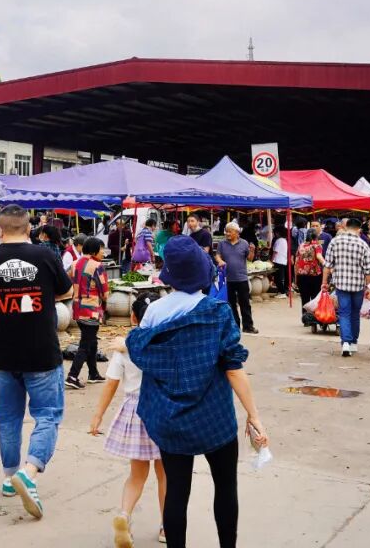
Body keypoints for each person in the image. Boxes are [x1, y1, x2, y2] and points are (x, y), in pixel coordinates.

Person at [128, 236, 268, 548]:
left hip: (170, 420)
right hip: (214, 419)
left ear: (168, 273)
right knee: (226, 488)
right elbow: (233, 368)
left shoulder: (153, 313)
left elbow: (141, 354)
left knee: (176, 492)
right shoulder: (217, 312)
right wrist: (254, 415)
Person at [0, 204, 73, 520]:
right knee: (48, 415)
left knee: (8, 419)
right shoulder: (45, 255)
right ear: (28, 228)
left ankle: (9, 477)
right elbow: (66, 292)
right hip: (42, 354)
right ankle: (29, 472)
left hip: (2, 354)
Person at [89, 297, 167, 547]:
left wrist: (98, 415)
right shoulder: (165, 342)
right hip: (162, 411)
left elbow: (111, 383)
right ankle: (166, 527)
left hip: (136, 412)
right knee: (165, 475)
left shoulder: (124, 347)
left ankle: (124, 515)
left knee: (137, 475)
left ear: (133, 317)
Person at [322, 217, 370, 357]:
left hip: (341, 284)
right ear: (359, 229)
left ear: (345, 227)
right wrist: (368, 287)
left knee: (344, 313)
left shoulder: (335, 242)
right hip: (358, 286)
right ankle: (353, 343)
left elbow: (327, 265)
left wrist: (324, 282)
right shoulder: (363, 244)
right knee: (355, 314)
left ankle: (345, 342)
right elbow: (368, 271)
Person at [66, 237, 109, 390]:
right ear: (94, 251)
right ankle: (72, 376)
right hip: (91, 310)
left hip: (77, 309)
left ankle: (93, 373)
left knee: (92, 341)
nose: (103, 252)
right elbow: (105, 294)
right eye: (101, 249)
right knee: (85, 344)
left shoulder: (74, 263)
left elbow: (67, 278)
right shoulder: (97, 266)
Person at [216, 222, 257, 334]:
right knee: (231, 304)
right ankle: (234, 326)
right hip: (228, 279)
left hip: (242, 278)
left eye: (230, 231)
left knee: (245, 304)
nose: (227, 233)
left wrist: (252, 250)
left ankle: (248, 326)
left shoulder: (244, 243)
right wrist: (220, 261)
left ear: (237, 233)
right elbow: (218, 255)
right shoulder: (222, 244)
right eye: (226, 231)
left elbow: (250, 258)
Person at [295, 229, 326, 319]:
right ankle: (314, 318)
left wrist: (296, 278)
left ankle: (305, 318)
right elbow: (319, 256)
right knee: (315, 298)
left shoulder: (301, 246)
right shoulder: (317, 246)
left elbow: (296, 263)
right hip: (315, 276)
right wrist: (327, 265)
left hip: (302, 276)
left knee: (304, 298)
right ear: (316, 236)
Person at [270, 226, 289, 297]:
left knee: (278, 278)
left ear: (277, 233)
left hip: (278, 261)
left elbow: (275, 252)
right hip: (283, 261)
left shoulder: (279, 240)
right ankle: (280, 291)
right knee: (279, 278)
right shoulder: (284, 240)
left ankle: (282, 292)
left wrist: (271, 260)